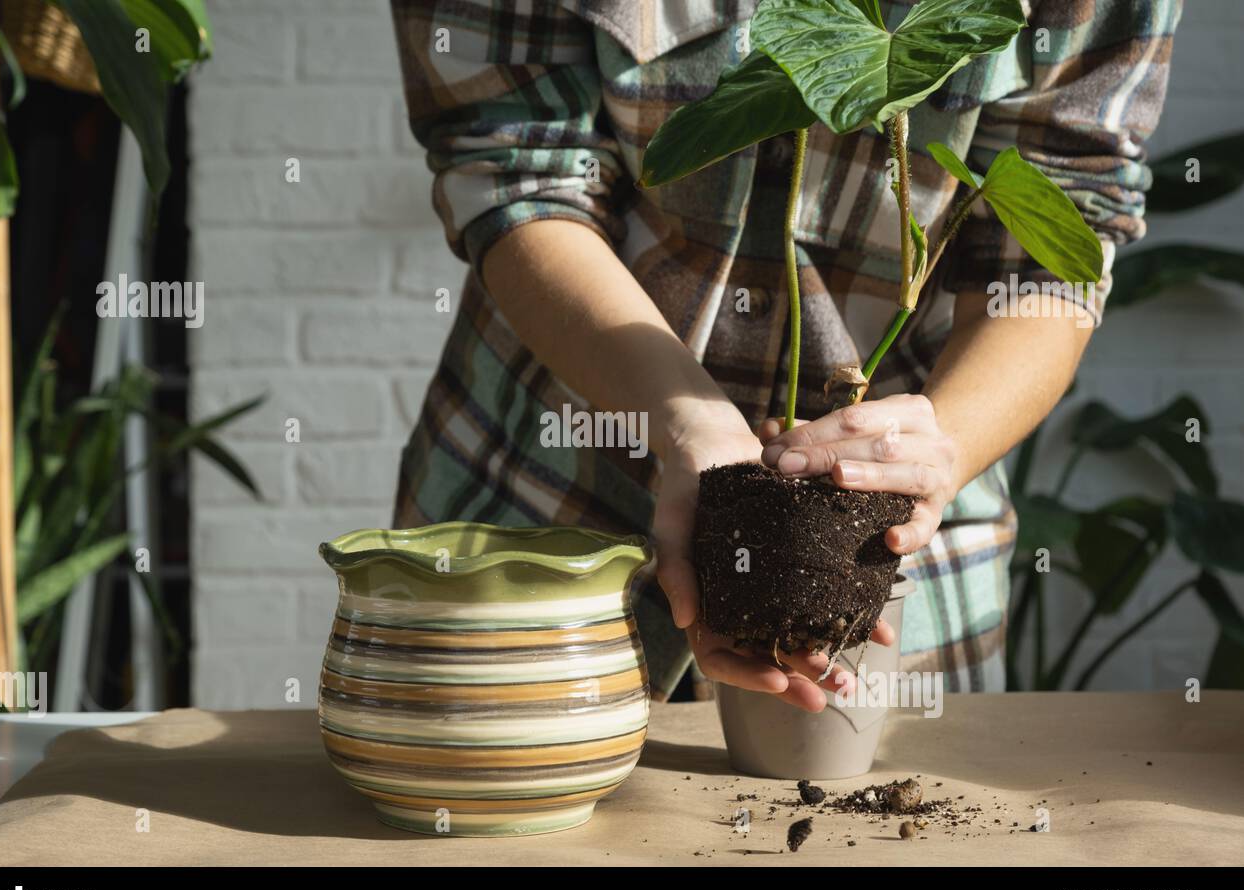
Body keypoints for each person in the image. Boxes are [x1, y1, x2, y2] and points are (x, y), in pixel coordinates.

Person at [389, 0, 1182, 708]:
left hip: (901, 544)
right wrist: (684, 422)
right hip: (553, 501)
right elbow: (515, 170)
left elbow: (1062, 230)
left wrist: (941, 446)